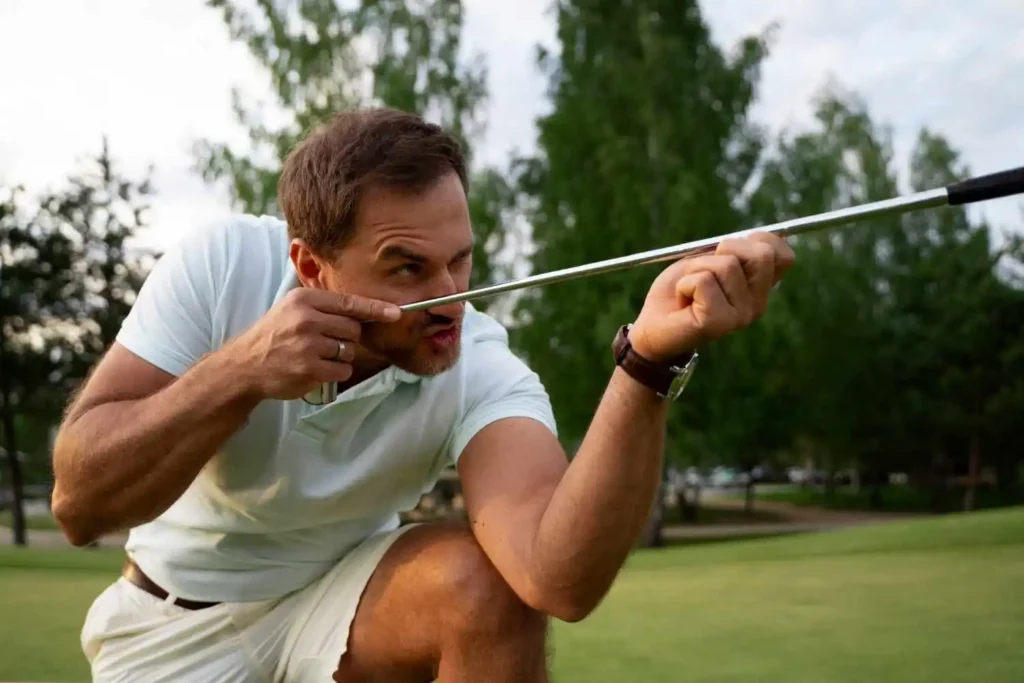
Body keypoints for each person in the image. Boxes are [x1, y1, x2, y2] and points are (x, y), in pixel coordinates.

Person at [51, 107, 795, 682]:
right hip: (170, 623)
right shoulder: (224, 266)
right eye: (406, 268)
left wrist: (649, 361)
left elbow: (556, 576)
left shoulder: (476, 358)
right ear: (312, 266)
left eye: (460, 260)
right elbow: (79, 504)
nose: (449, 299)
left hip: (344, 612)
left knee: (486, 587)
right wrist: (239, 370)